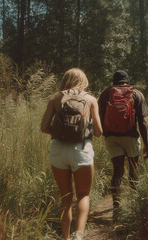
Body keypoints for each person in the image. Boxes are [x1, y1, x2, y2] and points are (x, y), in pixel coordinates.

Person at [41, 68, 103, 240]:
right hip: (81, 150)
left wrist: (61, 132)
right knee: (83, 194)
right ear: (83, 81)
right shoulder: (91, 99)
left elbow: (44, 127)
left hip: (58, 150)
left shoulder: (55, 98)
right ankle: (79, 235)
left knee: (65, 197)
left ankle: (66, 237)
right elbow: (98, 132)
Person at [98, 70, 148, 212]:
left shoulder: (105, 94)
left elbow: (100, 116)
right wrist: (146, 144)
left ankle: (116, 205)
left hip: (111, 137)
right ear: (128, 80)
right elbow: (142, 122)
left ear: (113, 81)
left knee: (117, 170)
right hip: (131, 136)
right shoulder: (136, 94)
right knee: (133, 168)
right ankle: (133, 204)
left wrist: (105, 133)